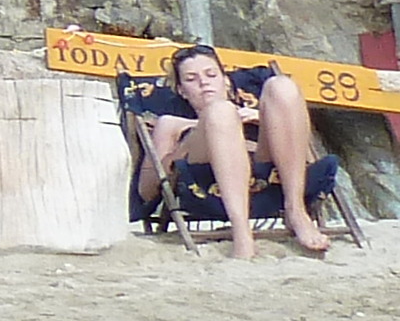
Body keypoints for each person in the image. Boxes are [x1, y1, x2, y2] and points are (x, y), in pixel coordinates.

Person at [128, 43, 329, 258]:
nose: (203, 82)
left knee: (282, 86)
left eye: (211, 74)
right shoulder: (171, 124)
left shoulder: (252, 114)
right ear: (181, 91)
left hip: (265, 170)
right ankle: (242, 234)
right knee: (220, 112)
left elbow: (307, 159)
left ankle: (296, 210)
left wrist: (264, 121)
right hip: (202, 179)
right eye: (190, 79)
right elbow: (147, 190)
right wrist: (194, 137)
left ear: (225, 80)